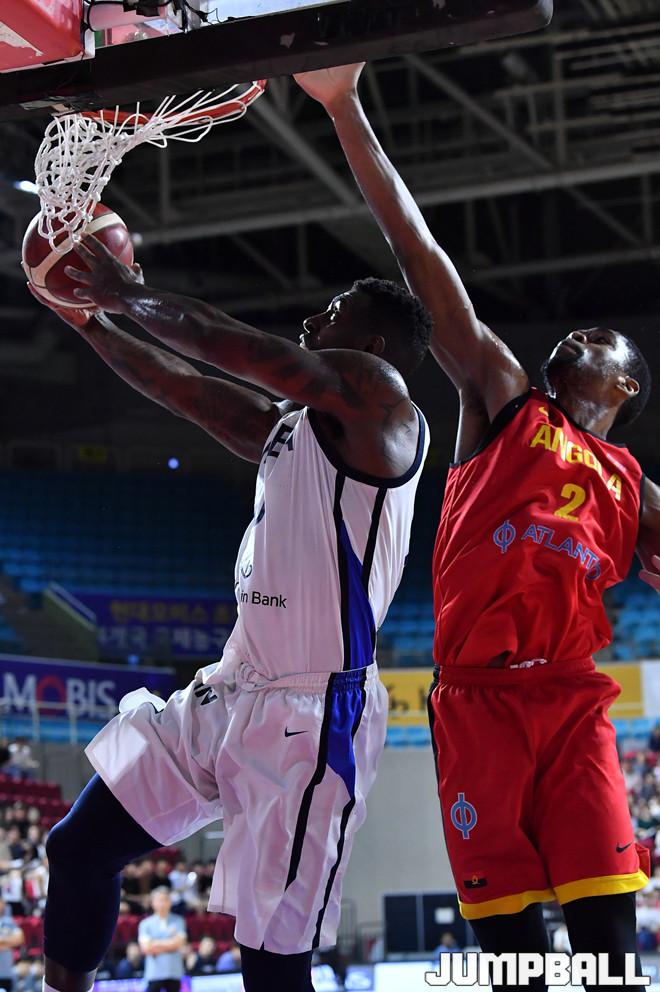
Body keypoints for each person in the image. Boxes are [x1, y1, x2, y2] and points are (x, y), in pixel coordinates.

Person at [294, 63, 660, 991]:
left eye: (599, 343)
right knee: (515, 961)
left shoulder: (635, 490)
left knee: (611, 948)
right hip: (475, 702)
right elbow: (418, 252)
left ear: (626, 386)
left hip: (573, 703)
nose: (576, 339)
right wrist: (344, 106)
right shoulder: (504, 399)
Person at [32, 224, 431, 992]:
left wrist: (124, 292)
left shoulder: (384, 405)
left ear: (372, 345)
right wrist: (90, 322)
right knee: (78, 848)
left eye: (334, 313)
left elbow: (240, 347)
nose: (311, 320)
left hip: (314, 716)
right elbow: (181, 387)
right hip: (234, 685)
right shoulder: (293, 429)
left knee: (271, 965)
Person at [137, 889, 186, 992]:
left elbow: (180, 943)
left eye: (165, 900)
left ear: (170, 902)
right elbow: (146, 948)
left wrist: (154, 943)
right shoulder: (145, 924)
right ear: (152, 903)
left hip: (174, 972)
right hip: (154, 973)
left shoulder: (179, 921)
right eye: (159, 900)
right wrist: (171, 944)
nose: (162, 903)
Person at [0, 899, 24, 992]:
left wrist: (2, 942)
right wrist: (8, 943)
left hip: (6, 973)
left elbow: (20, 939)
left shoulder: (9, 921)